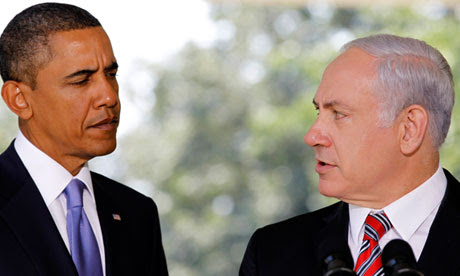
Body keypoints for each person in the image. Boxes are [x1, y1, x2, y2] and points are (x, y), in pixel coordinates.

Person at [240, 34, 459, 276]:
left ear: (409, 128)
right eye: (318, 112)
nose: (312, 136)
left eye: (338, 114)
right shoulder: (271, 252)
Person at [0, 3, 168, 276]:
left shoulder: (138, 213)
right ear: (19, 99)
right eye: (81, 80)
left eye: (111, 75)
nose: (109, 97)